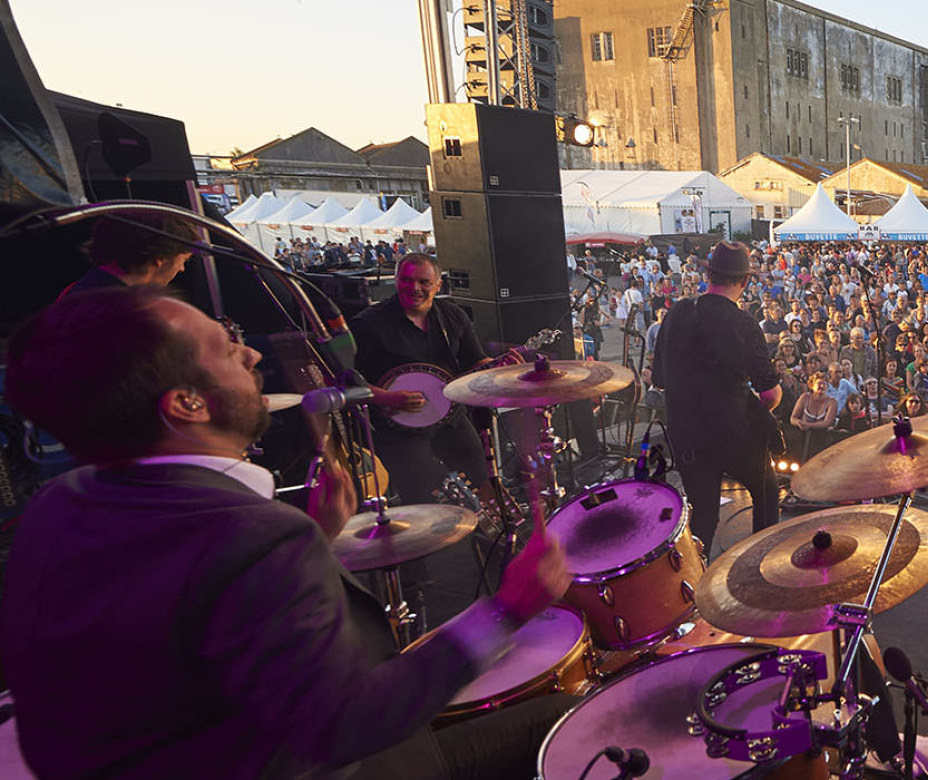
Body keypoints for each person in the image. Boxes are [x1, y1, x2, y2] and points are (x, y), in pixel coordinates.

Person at [1, 286, 571, 778]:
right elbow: (346, 725)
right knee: (561, 715)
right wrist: (508, 608)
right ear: (187, 404)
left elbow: (195, 622)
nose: (250, 354)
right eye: (226, 349)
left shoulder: (58, 507)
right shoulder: (253, 535)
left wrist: (318, 537)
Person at [652, 241, 783, 548]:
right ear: (746, 280)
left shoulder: (676, 314)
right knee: (766, 490)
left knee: (703, 516)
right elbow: (770, 393)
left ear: (709, 274)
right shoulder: (743, 323)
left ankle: (694, 582)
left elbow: (659, 379)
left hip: (686, 437)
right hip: (732, 434)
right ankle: (760, 561)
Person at [348, 254, 494, 504]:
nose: (414, 288)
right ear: (395, 281)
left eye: (423, 282)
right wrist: (387, 397)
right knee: (424, 500)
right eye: (406, 280)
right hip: (399, 430)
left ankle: (490, 536)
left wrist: (501, 369)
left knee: (483, 479)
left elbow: (475, 360)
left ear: (438, 285)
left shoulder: (452, 315)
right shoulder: (368, 324)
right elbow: (345, 379)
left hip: (451, 419)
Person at [60, 210, 205, 297]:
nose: (181, 269)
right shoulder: (132, 312)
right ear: (160, 259)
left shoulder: (78, 290)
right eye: (184, 261)